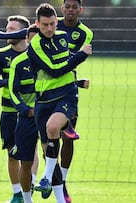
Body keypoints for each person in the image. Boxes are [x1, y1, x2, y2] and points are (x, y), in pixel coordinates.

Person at [27, 3, 92, 202]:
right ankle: (59, 196)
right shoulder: (35, 45)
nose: (49, 29)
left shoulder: (63, 37)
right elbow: (55, 69)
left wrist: (77, 78)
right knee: (48, 149)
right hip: (44, 99)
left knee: (53, 127)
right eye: (45, 25)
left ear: (57, 22)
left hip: (66, 95)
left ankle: (46, 177)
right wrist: (81, 55)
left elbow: (66, 59)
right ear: (37, 24)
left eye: (53, 24)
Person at [0, 15, 30, 203]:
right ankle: (17, 193)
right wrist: (12, 82)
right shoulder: (1, 54)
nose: (7, 32)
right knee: (12, 153)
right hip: (8, 111)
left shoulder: (34, 54)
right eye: (7, 28)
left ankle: (31, 184)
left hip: (30, 111)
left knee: (30, 152)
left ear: (23, 32)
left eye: (12, 29)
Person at [57, 1, 93, 202]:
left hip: (69, 87)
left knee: (68, 138)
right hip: (49, 85)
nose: (70, 10)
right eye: (67, 6)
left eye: (74, 7)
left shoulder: (86, 32)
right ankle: (50, 178)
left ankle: (62, 181)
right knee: (47, 138)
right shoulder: (52, 24)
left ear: (81, 9)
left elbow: (78, 57)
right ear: (62, 9)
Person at [8, 24, 39, 203]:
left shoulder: (51, 59)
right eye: (32, 39)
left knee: (51, 153)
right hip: (27, 118)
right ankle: (27, 199)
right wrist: (26, 111)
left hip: (47, 115)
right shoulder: (18, 62)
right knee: (25, 161)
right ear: (27, 40)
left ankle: (49, 181)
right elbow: (13, 92)